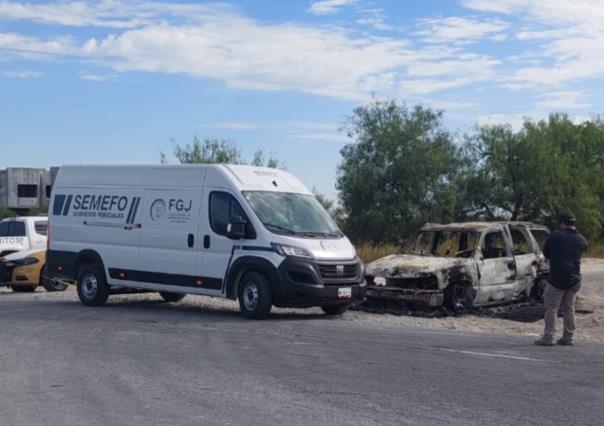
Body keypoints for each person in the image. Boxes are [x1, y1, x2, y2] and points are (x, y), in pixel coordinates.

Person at [535, 213, 588, 346]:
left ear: (562, 224)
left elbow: (546, 253)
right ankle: (568, 337)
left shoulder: (554, 236)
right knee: (569, 308)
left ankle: (548, 337)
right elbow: (583, 250)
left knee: (551, 308)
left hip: (557, 278)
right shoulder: (581, 239)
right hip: (574, 279)